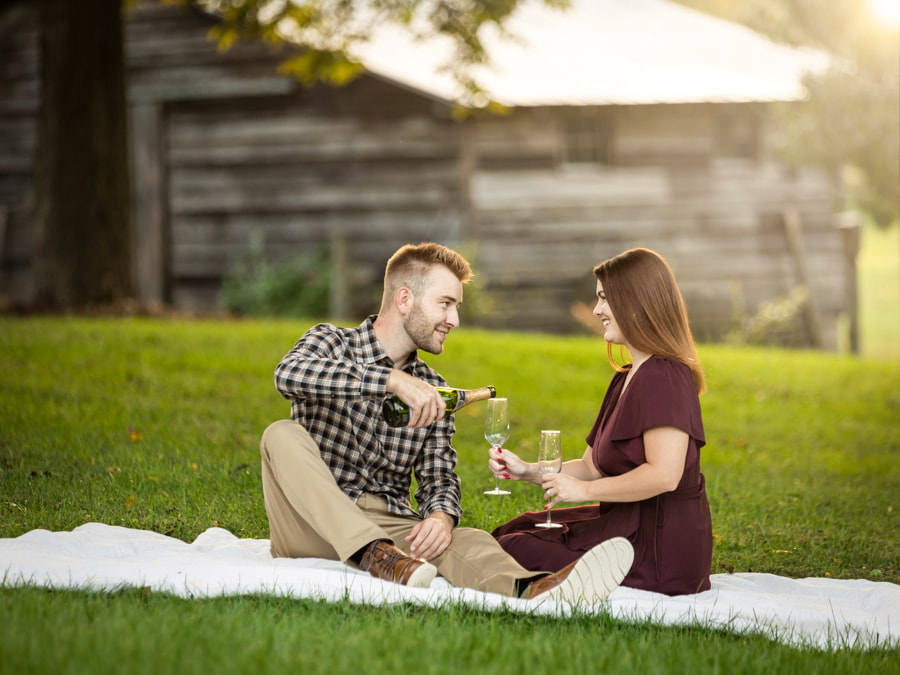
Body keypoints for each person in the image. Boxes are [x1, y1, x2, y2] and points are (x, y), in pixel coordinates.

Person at [259, 242, 634, 602]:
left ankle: (537, 592)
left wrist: (440, 518)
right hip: (309, 521)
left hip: (390, 535)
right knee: (280, 434)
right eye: (445, 304)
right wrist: (391, 381)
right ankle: (372, 554)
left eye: (456, 307)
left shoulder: (436, 389)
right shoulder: (331, 342)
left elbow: (439, 476)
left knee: (468, 539)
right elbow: (289, 376)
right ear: (404, 300)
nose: (454, 319)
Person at [489, 248, 712, 595]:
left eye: (605, 299)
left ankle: (570, 582)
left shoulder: (664, 376)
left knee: (513, 548)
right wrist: (529, 471)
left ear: (636, 301)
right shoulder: (627, 377)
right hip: (623, 524)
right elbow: (592, 466)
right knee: (514, 530)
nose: (597, 310)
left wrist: (584, 493)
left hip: (659, 548)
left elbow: (665, 475)